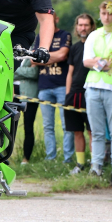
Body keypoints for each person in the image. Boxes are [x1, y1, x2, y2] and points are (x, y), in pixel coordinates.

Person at [83, 2, 112, 187]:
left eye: (110, 13)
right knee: (97, 131)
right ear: (100, 14)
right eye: (103, 13)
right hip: (93, 86)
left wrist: (98, 62)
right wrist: (105, 62)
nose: (106, 17)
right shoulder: (94, 35)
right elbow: (86, 61)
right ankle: (96, 167)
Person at [33, 13, 74, 163]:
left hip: (62, 86)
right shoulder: (40, 37)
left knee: (66, 124)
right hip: (44, 86)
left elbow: (63, 55)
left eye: (53, 19)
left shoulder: (65, 35)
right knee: (48, 126)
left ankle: (68, 159)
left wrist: (43, 58)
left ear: (57, 19)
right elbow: (33, 60)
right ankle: (51, 158)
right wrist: (52, 57)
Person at [66, 13, 96, 174]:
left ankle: (95, 164)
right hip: (74, 94)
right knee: (77, 131)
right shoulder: (74, 48)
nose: (83, 28)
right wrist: (67, 94)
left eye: (86, 25)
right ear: (77, 27)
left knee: (92, 131)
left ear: (91, 27)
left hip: (90, 91)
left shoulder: (95, 45)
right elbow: (70, 73)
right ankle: (80, 164)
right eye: (80, 25)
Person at [14, 56, 38, 165]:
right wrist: (26, 70)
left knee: (28, 127)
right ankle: (5, 156)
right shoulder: (14, 52)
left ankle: (26, 158)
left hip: (29, 95)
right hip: (13, 94)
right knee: (9, 126)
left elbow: (34, 73)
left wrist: (16, 70)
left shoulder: (33, 54)